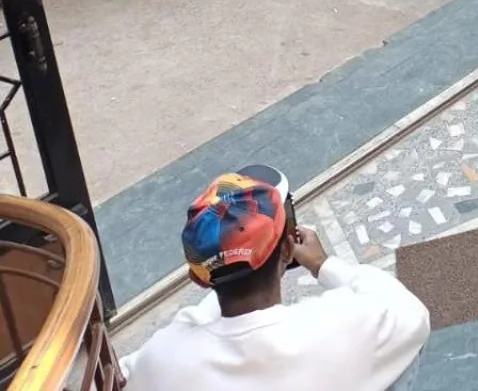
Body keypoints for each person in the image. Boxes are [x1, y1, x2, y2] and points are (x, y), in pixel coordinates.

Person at [121, 165, 430, 390]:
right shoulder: (339, 323)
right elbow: (411, 313)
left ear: (200, 278)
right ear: (287, 251)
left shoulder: (165, 357)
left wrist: (219, 269)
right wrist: (322, 264)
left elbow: (123, 376)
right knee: (402, 356)